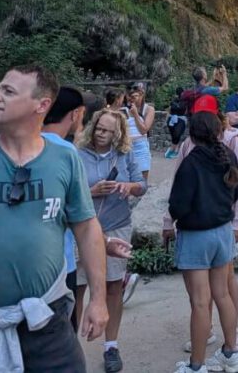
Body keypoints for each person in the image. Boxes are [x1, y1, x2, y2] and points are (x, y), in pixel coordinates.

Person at [0, 66, 108, 373]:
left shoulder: (64, 160)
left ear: (42, 105)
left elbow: (87, 227)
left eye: (8, 91)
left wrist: (99, 300)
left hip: (47, 320)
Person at [166, 106, 238, 359]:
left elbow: (178, 204)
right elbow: (237, 192)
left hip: (196, 235)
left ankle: (197, 364)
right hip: (223, 231)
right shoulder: (228, 155)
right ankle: (231, 352)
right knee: (222, 294)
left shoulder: (191, 163)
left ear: (192, 134)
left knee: (201, 301)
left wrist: (171, 219)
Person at [74, 109, 147, 371]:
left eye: (107, 130)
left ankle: (111, 346)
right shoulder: (77, 154)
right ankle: (72, 347)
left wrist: (129, 187)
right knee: (78, 287)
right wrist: (92, 191)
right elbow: (69, 191)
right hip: (83, 228)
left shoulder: (124, 155)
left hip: (117, 226)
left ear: (118, 133)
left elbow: (142, 184)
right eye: (98, 128)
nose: (101, 134)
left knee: (114, 287)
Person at [40, 87, 87, 329]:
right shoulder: (67, 152)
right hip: (60, 262)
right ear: (76, 113)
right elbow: (80, 216)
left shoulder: (26, 144)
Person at [122, 82, 155, 181]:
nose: (132, 98)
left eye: (136, 96)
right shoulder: (123, 110)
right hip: (126, 146)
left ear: (142, 95)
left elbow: (144, 130)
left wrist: (136, 114)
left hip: (141, 147)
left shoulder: (149, 109)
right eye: (130, 96)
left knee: (141, 181)